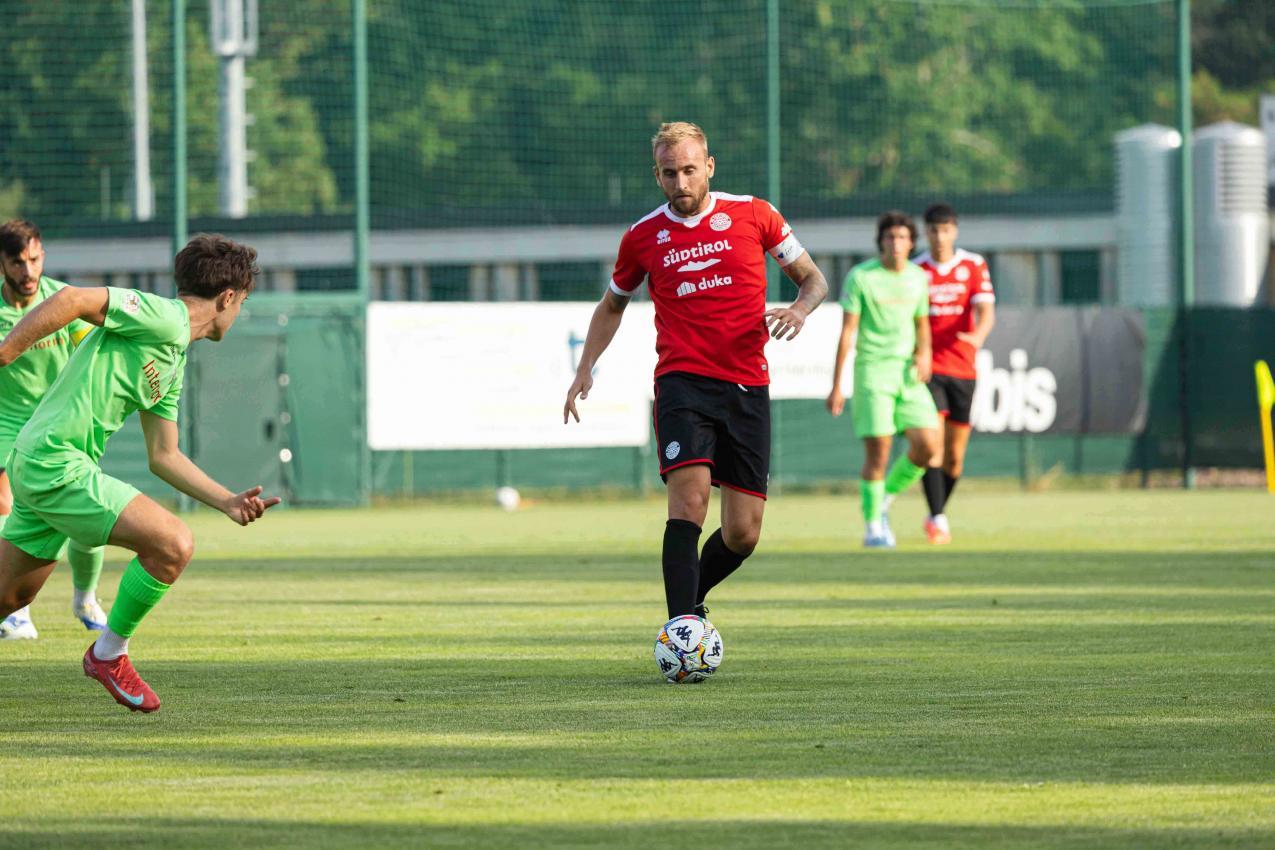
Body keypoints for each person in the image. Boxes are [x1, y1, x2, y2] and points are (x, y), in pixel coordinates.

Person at [0, 234, 280, 712]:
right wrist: (4, 353)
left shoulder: (174, 357)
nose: (239, 312)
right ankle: (108, 654)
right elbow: (71, 299)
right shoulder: (165, 316)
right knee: (173, 543)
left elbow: (164, 455)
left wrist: (228, 501)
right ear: (228, 297)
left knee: (10, 596)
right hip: (54, 460)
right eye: (243, 302)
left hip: (48, 463)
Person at [564, 121, 828, 620]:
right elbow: (613, 305)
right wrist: (585, 367)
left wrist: (799, 309)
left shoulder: (754, 214)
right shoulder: (643, 236)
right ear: (656, 175)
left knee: (743, 534)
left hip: (747, 386)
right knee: (689, 503)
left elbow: (813, 279)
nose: (680, 184)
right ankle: (681, 631)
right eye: (669, 174)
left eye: (689, 170)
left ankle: (691, 601)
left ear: (709, 166)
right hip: (682, 383)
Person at [0, 220, 108, 639]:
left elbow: (91, 348)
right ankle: (17, 611)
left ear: (42, 254)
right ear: (3, 264)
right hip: (7, 425)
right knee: (6, 507)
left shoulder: (65, 302)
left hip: (62, 425)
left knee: (90, 517)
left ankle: (85, 598)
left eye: (34, 259)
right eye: (16, 262)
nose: (27, 271)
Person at [827, 211, 940, 548]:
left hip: (908, 374)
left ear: (911, 243)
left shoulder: (919, 277)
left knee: (929, 445)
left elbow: (922, 324)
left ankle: (885, 496)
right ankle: (873, 525)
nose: (896, 243)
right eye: (890, 237)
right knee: (879, 453)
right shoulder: (861, 277)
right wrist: (836, 385)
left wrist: (925, 354)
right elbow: (847, 333)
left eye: (903, 237)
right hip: (873, 373)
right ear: (881, 242)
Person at [914, 203, 995, 544]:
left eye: (946, 229)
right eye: (934, 230)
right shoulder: (916, 269)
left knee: (955, 458)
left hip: (963, 368)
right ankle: (938, 519)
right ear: (927, 232)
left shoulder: (973, 265)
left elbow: (987, 311)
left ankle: (936, 512)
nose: (940, 236)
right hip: (929, 370)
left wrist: (977, 337)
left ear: (955, 231)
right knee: (932, 444)